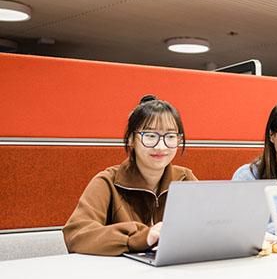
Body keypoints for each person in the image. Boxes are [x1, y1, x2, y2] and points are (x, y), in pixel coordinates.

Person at [62, 95, 197, 256]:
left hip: (175, 272)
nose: (161, 146)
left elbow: (209, 226)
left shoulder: (185, 179)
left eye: (170, 137)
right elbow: (76, 235)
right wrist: (139, 238)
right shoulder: (108, 182)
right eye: (150, 136)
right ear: (132, 139)